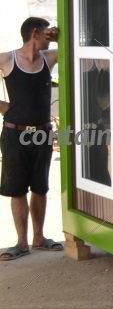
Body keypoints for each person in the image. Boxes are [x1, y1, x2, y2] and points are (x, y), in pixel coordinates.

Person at [0, 17, 60, 260]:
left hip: (42, 132)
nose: (51, 37)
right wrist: (3, 107)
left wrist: (57, 35)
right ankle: (21, 243)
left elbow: (73, 47)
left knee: (40, 187)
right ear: (34, 33)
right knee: (17, 189)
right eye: (47, 33)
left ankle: (39, 237)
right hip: (14, 133)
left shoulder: (49, 57)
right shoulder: (8, 59)